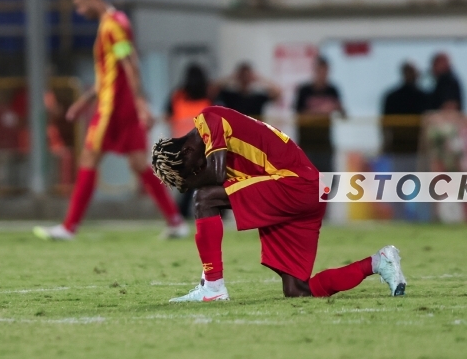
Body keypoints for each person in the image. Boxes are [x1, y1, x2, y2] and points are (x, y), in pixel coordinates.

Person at [151, 106, 407, 302]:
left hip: (294, 184)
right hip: (306, 190)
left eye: (190, 170)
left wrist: (188, 185)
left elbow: (216, 176)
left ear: (187, 151)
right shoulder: (216, 147)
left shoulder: (209, 119)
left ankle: (213, 288)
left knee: (203, 197)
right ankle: (378, 262)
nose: (196, 173)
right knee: (297, 289)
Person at [34, 0, 187, 241]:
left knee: (88, 158)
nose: (79, 11)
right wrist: (84, 101)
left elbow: (129, 63)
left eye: (80, 5)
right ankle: (176, 222)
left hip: (112, 109)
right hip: (120, 106)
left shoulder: (114, 25)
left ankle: (69, 228)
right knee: (138, 163)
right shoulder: (112, 23)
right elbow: (111, 73)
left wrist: (141, 103)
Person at [165, 63, 212, 218]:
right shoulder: (208, 97)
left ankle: (182, 212)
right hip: (203, 145)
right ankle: (201, 211)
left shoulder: (177, 96)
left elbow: (167, 116)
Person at [295, 56, 344, 172]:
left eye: (325, 71)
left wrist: (337, 107)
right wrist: (321, 111)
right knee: (306, 175)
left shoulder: (332, 90)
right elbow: (298, 115)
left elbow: (344, 114)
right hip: (307, 142)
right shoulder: (304, 90)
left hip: (324, 142)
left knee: (327, 175)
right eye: (320, 70)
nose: (322, 74)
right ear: (315, 71)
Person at [213, 62, 281, 118]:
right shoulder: (229, 95)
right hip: (234, 128)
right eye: (242, 75)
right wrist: (231, 77)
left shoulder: (258, 98)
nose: (245, 78)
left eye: (247, 75)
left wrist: (260, 79)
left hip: (253, 128)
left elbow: (277, 93)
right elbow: (212, 91)